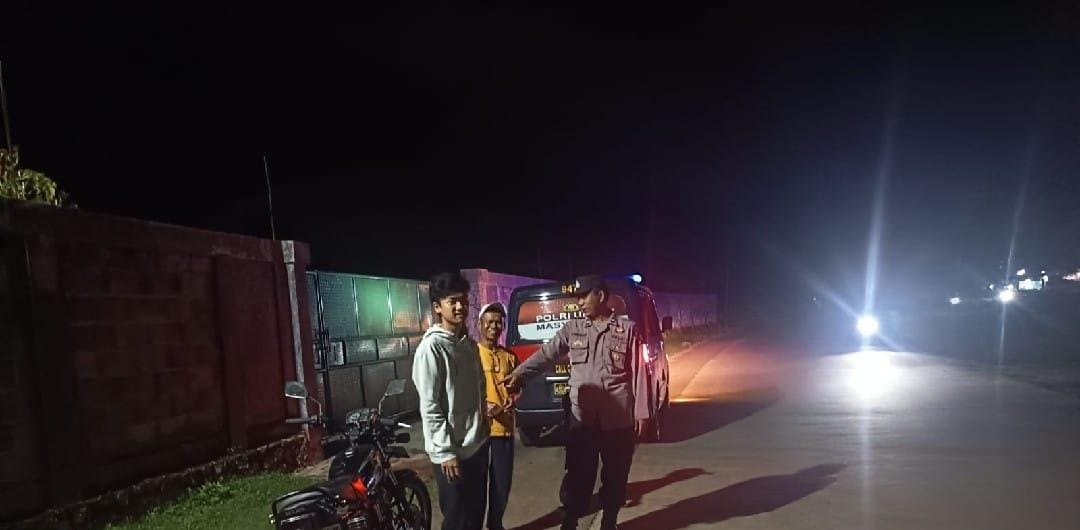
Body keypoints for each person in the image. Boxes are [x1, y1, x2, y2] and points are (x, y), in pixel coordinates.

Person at [501, 275, 652, 530]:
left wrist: (642, 413)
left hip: (617, 421)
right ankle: (570, 521)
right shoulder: (573, 329)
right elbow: (547, 354)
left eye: (583, 296)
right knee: (578, 474)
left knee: (616, 475)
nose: (579, 302)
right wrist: (520, 374)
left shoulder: (627, 330)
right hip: (582, 419)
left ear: (600, 296)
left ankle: (609, 521)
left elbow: (639, 372)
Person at [412, 272, 490, 530]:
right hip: (452, 453)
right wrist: (445, 452)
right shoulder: (431, 348)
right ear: (437, 307)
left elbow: (479, 388)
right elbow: (430, 405)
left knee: (475, 517)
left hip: (476, 446)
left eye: (464, 301)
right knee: (457, 521)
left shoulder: (468, 345)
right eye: (452, 301)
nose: (460, 307)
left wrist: (483, 425)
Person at [476, 302, 518, 530]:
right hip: (480, 433)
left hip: (505, 431)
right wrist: (483, 405)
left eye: (498, 322)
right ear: (479, 324)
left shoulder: (509, 356)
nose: (494, 326)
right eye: (489, 322)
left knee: (501, 485)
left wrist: (514, 398)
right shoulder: (472, 355)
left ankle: (495, 524)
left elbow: (517, 387)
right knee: (477, 487)